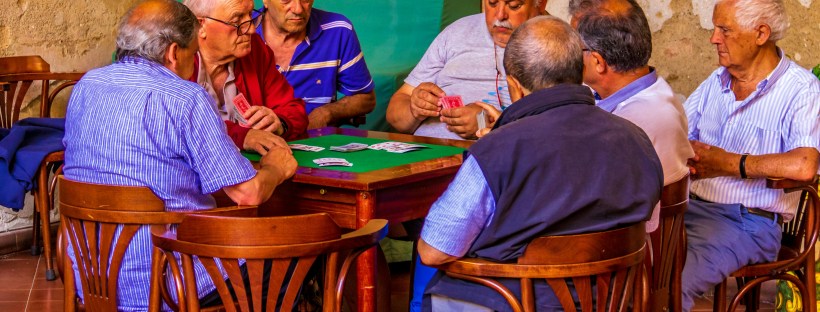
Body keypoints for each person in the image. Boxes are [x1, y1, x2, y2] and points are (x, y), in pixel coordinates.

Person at [417, 16, 664, 311]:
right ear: (579, 72)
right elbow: (645, 228)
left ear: (514, 86)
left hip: (516, 302)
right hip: (614, 301)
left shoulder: (497, 150)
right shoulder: (637, 140)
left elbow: (434, 250)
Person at [62, 0, 297, 310]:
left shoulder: (86, 85)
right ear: (174, 53)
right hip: (169, 278)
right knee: (294, 258)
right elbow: (248, 193)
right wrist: (275, 168)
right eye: (191, 52)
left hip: (92, 276)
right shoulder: (186, 98)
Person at [681, 0, 820, 309]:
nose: (713, 38)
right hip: (691, 208)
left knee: (669, 287)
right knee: (633, 265)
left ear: (760, 33)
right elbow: (678, 136)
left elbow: (805, 164)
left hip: (747, 222)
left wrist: (728, 163)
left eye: (724, 30)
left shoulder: (801, 89)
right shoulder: (713, 83)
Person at [569, 0, 693, 232]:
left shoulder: (635, 121)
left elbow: (577, 197)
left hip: (626, 255)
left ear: (597, 62)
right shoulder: (652, 89)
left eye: (574, 48)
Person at [386, 0, 546, 140]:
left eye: (513, 5)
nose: (500, 15)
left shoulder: (556, 44)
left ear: (541, 3)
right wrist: (415, 109)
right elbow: (395, 113)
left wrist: (488, 123)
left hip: (488, 159)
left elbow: (554, 128)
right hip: (425, 154)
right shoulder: (457, 31)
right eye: (492, 3)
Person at [183, 0, 307, 153]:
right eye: (237, 21)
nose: (252, 30)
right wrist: (242, 136)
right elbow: (181, 126)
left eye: (250, 15)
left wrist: (280, 122)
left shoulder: (254, 49)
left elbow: (294, 109)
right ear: (200, 25)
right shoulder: (175, 60)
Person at [256, 0, 376, 129]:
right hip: (251, 142)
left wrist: (325, 113)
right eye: (286, 1)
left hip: (314, 140)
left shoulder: (338, 30)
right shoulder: (242, 31)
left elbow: (366, 98)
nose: (298, 9)